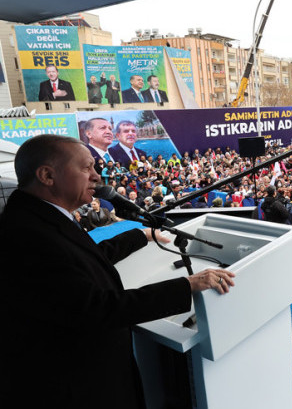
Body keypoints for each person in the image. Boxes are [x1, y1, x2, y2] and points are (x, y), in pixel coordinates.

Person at [0, 134, 235, 408]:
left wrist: (142, 236)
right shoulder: (27, 234)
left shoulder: (39, 217)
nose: (97, 177)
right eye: (86, 168)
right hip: (75, 387)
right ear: (47, 176)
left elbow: (83, 259)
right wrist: (187, 285)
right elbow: (94, 309)